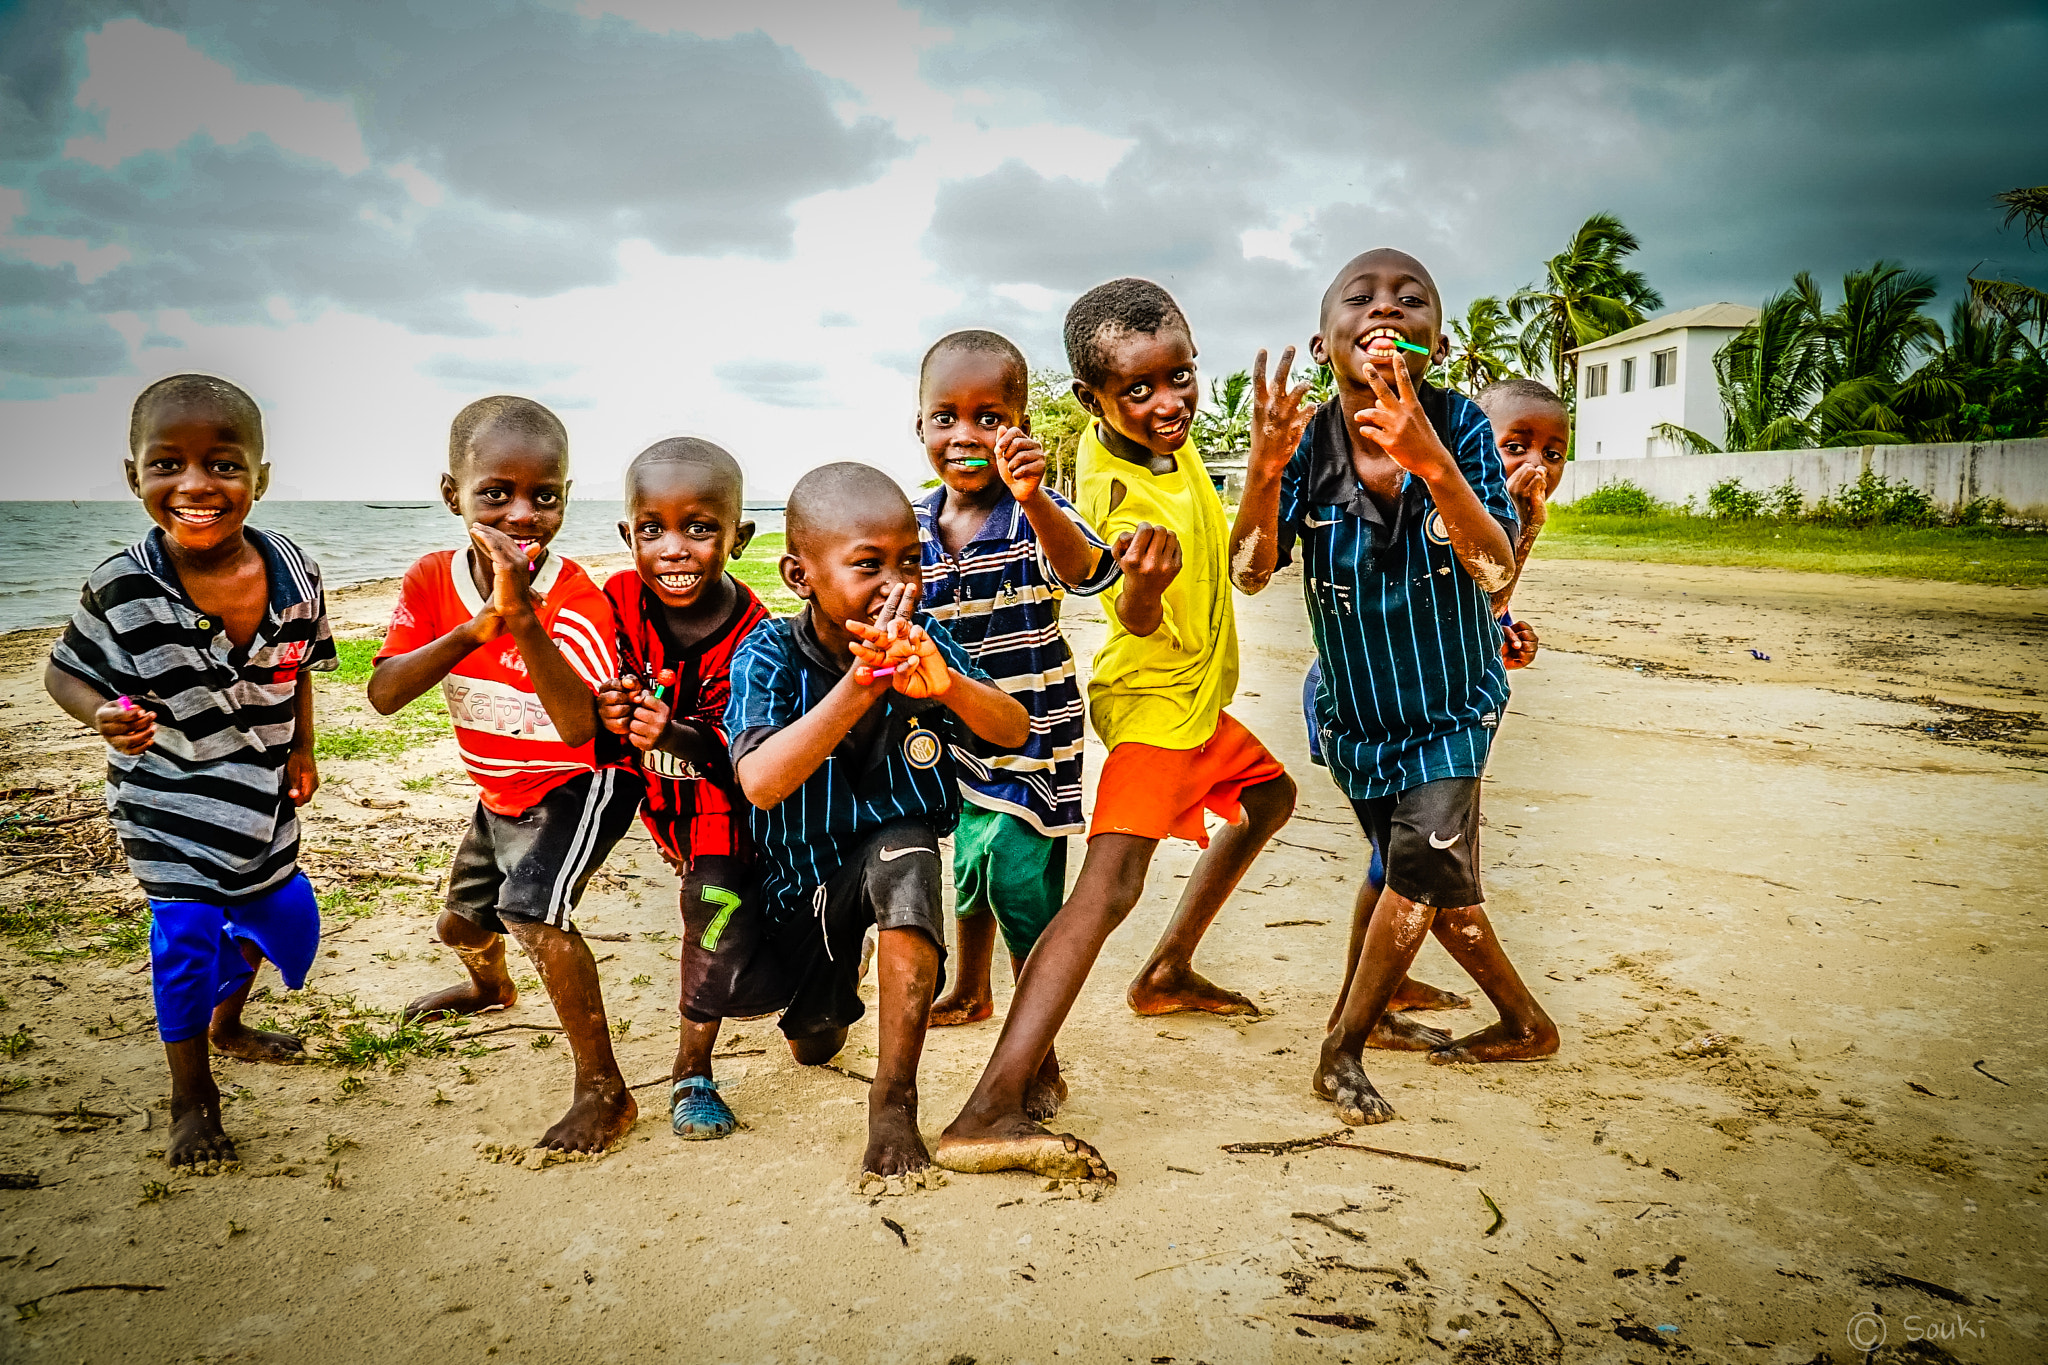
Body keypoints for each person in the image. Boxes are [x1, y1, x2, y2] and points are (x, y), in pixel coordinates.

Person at [935, 278, 1298, 1183]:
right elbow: (1125, 606)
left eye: (1180, 375)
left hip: (1199, 706)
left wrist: (1263, 467)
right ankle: (990, 1105)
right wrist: (1140, 583)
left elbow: (1251, 570)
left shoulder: (1174, 457)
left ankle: (1168, 970)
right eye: (1138, 390)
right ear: (1091, 400)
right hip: (1153, 712)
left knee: (1271, 797)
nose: (1167, 401)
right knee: (1103, 893)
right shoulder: (1111, 479)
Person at [1231, 248, 1558, 1129]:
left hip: (1452, 705)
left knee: (1413, 876)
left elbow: (1492, 569)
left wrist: (1432, 463)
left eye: (1410, 300)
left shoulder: (1459, 427)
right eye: (1361, 296)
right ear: (1321, 336)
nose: (1386, 309)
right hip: (1354, 711)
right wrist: (1263, 474)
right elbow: (1252, 573)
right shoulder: (1304, 446)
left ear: (1438, 342)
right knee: (1406, 873)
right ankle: (1510, 1019)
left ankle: (1341, 1047)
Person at [45, 374, 335, 1169]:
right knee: (185, 940)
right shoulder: (121, 584)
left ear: (260, 478)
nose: (197, 484)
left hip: (260, 795)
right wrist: (99, 712)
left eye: (224, 464)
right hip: (163, 800)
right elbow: (63, 672)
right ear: (135, 475)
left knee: (287, 923)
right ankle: (191, 1097)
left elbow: (301, 666)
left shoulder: (296, 572)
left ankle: (229, 1022)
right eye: (168, 464)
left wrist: (302, 748)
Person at [725, 462, 1029, 1179]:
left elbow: (1013, 729)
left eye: (910, 561)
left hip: (893, 864)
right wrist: (861, 688)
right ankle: (843, 976)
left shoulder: (922, 642)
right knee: (815, 1039)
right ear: (801, 576)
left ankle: (894, 1102)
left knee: (908, 854)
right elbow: (763, 783)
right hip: (802, 896)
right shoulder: (768, 653)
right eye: (868, 565)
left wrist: (948, 686)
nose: (899, 585)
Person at [371, 395, 638, 1153]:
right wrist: (476, 625)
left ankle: (605, 1092)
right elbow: (387, 693)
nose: (521, 513)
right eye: (496, 493)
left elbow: (582, 728)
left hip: (577, 782)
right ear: (453, 493)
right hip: (501, 790)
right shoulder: (431, 580)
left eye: (543, 496)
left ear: (564, 497)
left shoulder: (575, 598)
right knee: (460, 923)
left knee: (532, 910)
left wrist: (522, 616)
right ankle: (491, 986)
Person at [912, 330, 1117, 1122]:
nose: (966, 436)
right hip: (953, 736)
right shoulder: (915, 525)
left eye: (989, 417)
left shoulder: (1035, 511)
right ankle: (970, 986)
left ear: (1021, 426)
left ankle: (1041, 1049)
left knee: (1015, 876)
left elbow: (1089, 571)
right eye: (945, 417)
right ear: (919, 427)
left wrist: (1033, 498)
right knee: (968, 862)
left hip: (1036, 735)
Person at [594, 438, 777, 1141]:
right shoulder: (614, 603)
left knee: (716, 914)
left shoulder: (757, 636)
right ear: (627, 534)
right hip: (654, 800)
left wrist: (669, 731)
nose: (674, 547)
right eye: (652, 528)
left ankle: (690, 1070)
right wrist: (607, 707)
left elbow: (740, 758)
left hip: (725, 811)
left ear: (739, 535)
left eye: (700, 527)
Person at [1475, 377, 1571, 669]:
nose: (1537, 465)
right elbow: (1474, 621)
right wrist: (1526, 528)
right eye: (1515, 447)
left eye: (1552, 455)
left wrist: (1504, 640)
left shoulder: (1508, 525)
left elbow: (1487, 619)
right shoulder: (1441, 518)